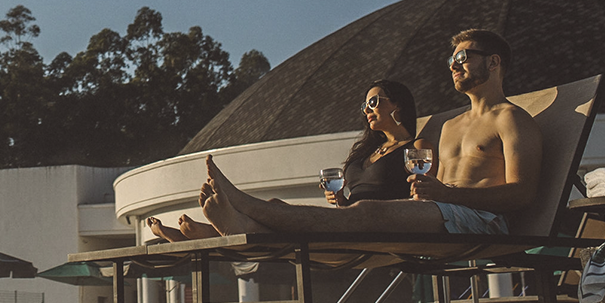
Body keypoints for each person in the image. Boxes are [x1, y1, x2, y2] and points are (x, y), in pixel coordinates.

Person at [198, 28, 542, 237]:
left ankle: (246, 206)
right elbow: (429, 189)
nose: (453, 65)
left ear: (493, 62)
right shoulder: (449, 125)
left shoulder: (511, 120)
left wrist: (448, 197)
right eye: (451, 60)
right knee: (348, 223)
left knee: (368, 214)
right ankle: (251, 226)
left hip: (482, 224)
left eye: (463, 57)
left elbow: (521, 195)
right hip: (440, 215)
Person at [146, 79, 429, 242]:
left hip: (375, 225)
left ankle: (232, 211)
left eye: (375, 102)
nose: (367, 109)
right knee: (277, 209)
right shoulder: (368, 152)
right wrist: (342, 201)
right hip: (349, 218)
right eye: (364, 105)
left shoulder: (413, 147)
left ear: (398, 104)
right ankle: (218, 230)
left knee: (276, 212)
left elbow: (423, 193)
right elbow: (353, 199)